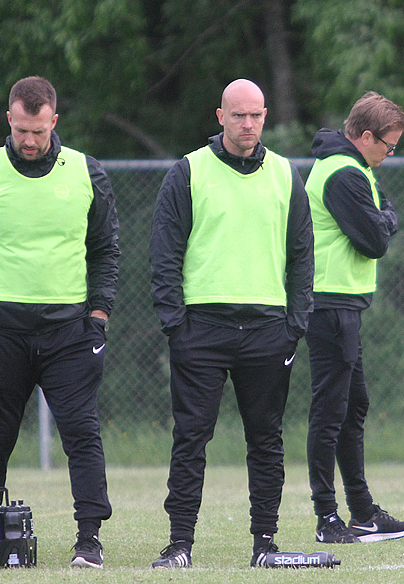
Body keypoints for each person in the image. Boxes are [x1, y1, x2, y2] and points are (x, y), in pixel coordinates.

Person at [0, 76, 120, 568]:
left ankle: (89, 538)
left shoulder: (86, 171)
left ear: (53, 121)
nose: (29, 141)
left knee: (81, 431)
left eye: (38, 131)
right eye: (20, 131)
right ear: (8, 121)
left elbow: (105, 252)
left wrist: (99, 314)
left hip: (70, 331)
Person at [149, 79, 314, 568]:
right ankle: (180, 544)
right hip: (201, 328)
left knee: (266, 439)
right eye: (238, 115)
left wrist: (295, 325)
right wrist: (175, 326)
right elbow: (164, 255)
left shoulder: (286, 174)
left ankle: (265, 542)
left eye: (256, 115)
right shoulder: (189, 172)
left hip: (268, 330)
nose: (248, 124)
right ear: (219, 116)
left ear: (265, 117)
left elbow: (304, 256)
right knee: (191, 437)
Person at [304, 91, 404, 544]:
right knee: (331, 412)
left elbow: (384, 217)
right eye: (388, 146)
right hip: (330, 304)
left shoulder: (354, 168)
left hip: (344, 304)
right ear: (365, 136)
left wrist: (383, 219)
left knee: (353, 407)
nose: (390, 155)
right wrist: (384, 221)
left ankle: (364, 513)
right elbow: (376, 237)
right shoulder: (344, 174)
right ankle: (327, 516)